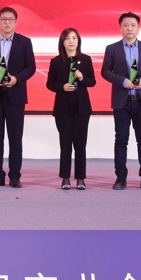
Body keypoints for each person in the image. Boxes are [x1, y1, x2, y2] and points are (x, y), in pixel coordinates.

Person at [102, 12, 141, 191]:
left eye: (133, 25)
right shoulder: (112, 49)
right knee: (121, 139)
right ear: (120, 27)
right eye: (126, 25)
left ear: (138, 27)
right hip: (122, 101)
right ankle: (121, 177)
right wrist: (121, 80)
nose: (129, 28)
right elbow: (105, 71)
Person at [0, 7, 36, 188]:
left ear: (16, 22)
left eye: (10, 19)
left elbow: (31, 67)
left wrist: (16, 79)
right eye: (4, 19)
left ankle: (15, 176)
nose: (7, 22)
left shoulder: (25, 42)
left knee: (15, 139)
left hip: (15, 96)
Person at [45, 28, 96, 190]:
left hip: (82, 107)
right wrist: (62, 87)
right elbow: (50, 84)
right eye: (67, 38)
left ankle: (80, 178)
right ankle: (65, 178)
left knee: (80, 144)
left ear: (78, 41)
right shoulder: (56, 61)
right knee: (65, 143)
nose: (71, 41)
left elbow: (92, 81)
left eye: (74, 38)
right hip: (63, 107)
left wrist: (82, 78)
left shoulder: (86, 59)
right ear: (62, 42)